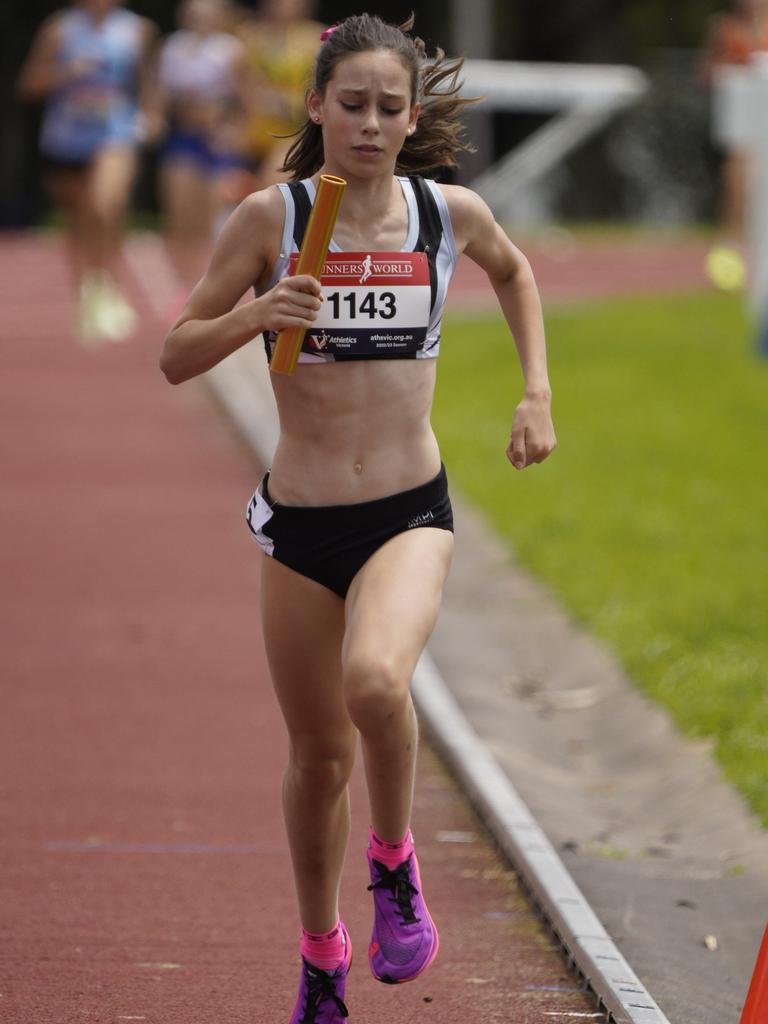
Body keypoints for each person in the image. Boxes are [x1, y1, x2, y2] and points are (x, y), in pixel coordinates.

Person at [160, 13, 556, 1023]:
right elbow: (176, 351)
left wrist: (535, 391)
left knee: (377, 680)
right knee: (318, 756)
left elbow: (513, 268)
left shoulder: (444, 214)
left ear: (412, 116)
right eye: (353, 105)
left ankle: (394, 867)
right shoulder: (272, 218)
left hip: (406, 510)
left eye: (390, 108)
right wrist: (259, 313)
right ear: (316, 106)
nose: (371, 125)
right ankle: (322, 952)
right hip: (300, 523)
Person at [17, 0, 158, 344]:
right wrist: (67, 72)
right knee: (79, 220)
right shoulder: (59, 28)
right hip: (67, 138)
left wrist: (152, 115)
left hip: (115, 133)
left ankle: (109, 283)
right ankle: (87, 291)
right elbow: (28, 86)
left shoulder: (137, 30)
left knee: (105, 203)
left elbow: (149, 82)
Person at [156, 0, 248, 288]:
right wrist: (155, 118)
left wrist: (232, 130)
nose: (199, 16)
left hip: (216, 144)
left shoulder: (230, 49)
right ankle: (183, 286)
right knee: (180, 214)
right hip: (183, 139)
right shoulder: (172, 47)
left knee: (213, 223)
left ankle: (209, 290)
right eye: (194, 10)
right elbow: (158, 96)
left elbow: (246, 100)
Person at [700, 0, 768, 291]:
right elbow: (706, 71)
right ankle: (730, 246)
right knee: (737, 177)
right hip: (742, 120)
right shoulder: (723, 27)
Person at [236, 0, 325, 191]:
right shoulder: (249, 35)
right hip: (250, 132)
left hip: (292, 133)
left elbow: (325, 91)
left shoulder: (317, 39)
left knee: (272, 184)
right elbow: (240, 84)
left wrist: (289, 105)